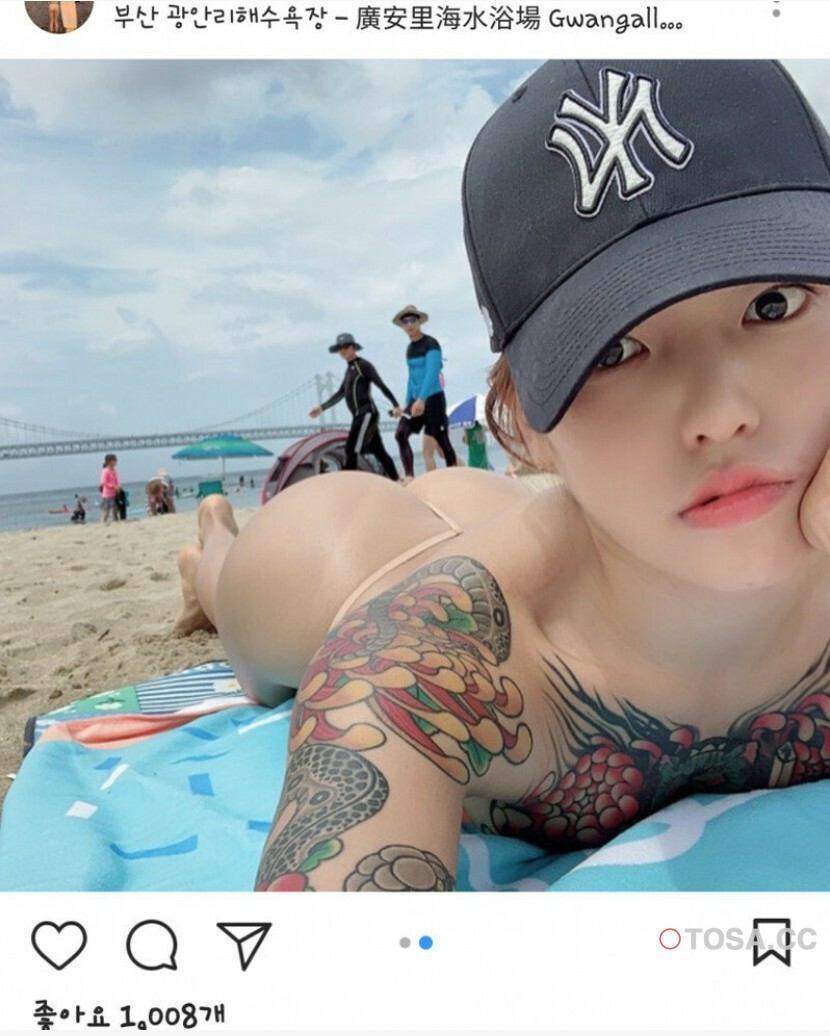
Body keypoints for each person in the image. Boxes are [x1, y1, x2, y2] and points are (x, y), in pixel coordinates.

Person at [174, 61, 830, 892]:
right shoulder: (418, 659)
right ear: (524, 427)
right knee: (252, 599)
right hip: (348, 553)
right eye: (615, 349)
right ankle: (210, 550)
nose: (721, 412)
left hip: (547, 519)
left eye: (774, 304)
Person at [309, 332, 400, 481]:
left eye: (346, 346)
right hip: (359, 416)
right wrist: (321, 408)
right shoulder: (349, 370)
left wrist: (395, 404)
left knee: (351, 449)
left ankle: (349, 483)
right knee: (378, 450)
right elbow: (341, 393)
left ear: (353, 347)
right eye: (340, 348)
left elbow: (381, 385)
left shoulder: (363, 365)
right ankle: (397, 480)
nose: (343, 350)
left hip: (366, 414)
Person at [392, 305, 457, 480]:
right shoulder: (409, 349)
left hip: (433, 399)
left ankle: (455, 475)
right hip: (415, 400)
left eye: (412, 320)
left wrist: (422, 399)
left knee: (441, 439)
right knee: (400, 434)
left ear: (419, 321)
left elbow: (432, 372)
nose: (409, 324)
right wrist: (407, 403)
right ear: (402, 326)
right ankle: (409, 477)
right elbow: (411, 377)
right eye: (405, 322)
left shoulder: (431, 343)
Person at [99, 453, 120, 524]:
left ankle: (117, 522)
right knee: (106, 512)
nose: (116, 462)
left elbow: (117, 480)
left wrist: (118, 486)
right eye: (114, 460)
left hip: (115, 493)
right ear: (109, 461)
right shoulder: (105, 471)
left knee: (115, 510)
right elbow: (104, 482)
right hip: (107, 495)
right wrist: (113, 486)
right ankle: (103, 523)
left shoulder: (114, 470)